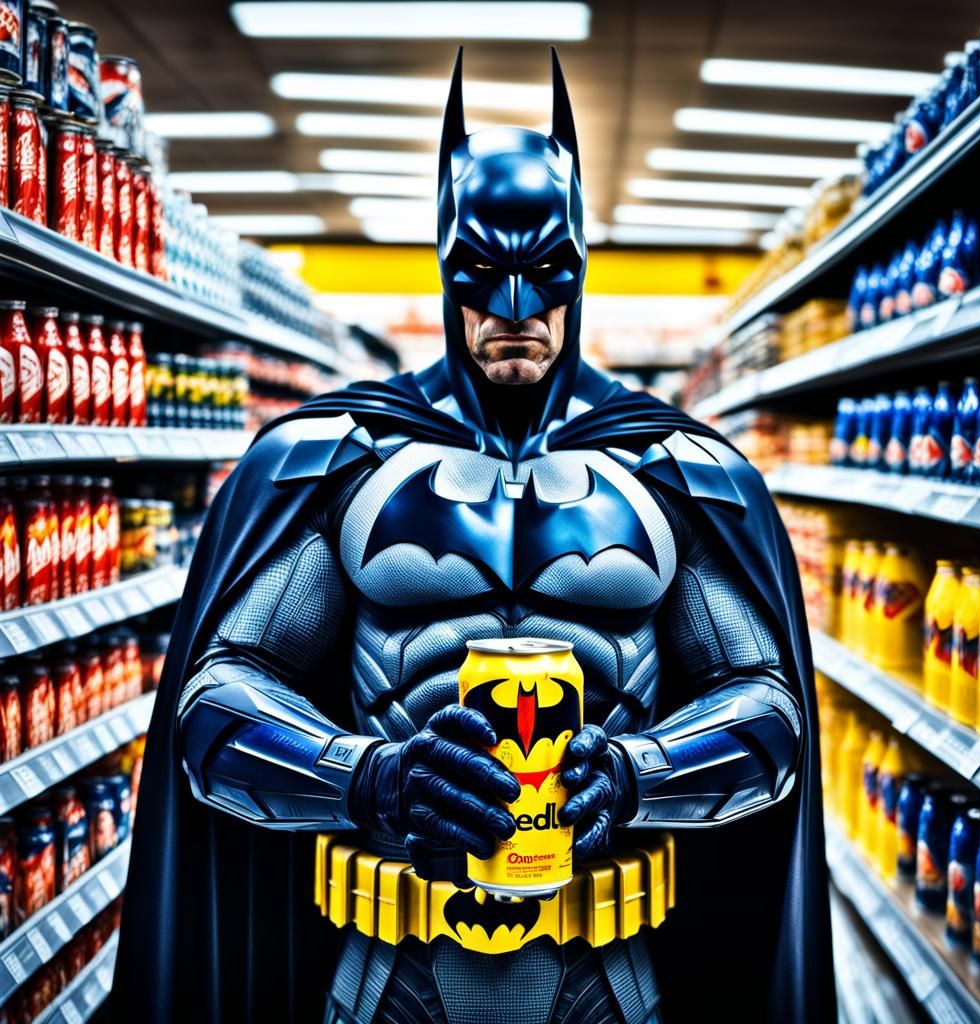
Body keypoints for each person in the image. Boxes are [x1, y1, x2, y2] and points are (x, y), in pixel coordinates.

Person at [111, 49, 835, 1024]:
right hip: (388, 959)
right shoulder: (348, 463)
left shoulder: (669, 472)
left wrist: (633, 772)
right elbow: (214, 707)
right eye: (482, 276)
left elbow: (768, 717)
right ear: (446, 270)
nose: (514, 312)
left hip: (607, 964)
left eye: (544, 275)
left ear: (578, 270)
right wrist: (368, 775)